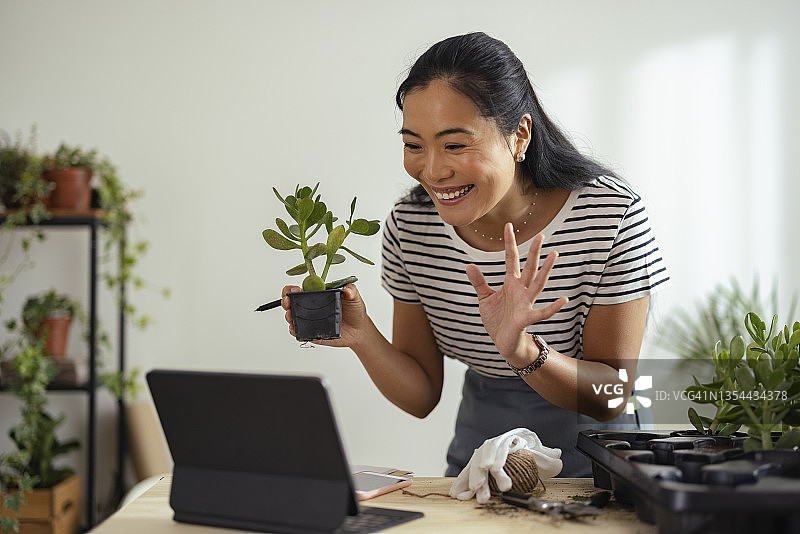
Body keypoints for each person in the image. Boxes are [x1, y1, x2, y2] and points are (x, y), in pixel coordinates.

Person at [281, 31, 670, 477]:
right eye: (413, 145)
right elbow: (422, 393)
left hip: (603, 457)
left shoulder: (609, 216)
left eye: (455, 144)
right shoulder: (413, 227)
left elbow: (612, 395)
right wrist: (363, 335)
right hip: (482, 456)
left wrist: (525, 352)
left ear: (520, 134)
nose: (433, 169)